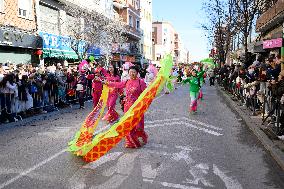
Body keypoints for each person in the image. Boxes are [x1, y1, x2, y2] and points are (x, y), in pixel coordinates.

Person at [105, 66, 148, 148]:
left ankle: (142, 137)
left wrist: (143, 104)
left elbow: (145, 94)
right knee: (128, 125)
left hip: (137, 107)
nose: (132, 73)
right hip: (127, 106)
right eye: (130, 72)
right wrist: (107, 83)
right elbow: (118, 84)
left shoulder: (140, 82)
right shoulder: (127, 81)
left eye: (134, 72)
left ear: (137, 73)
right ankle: (130, 142)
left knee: (138, 125)